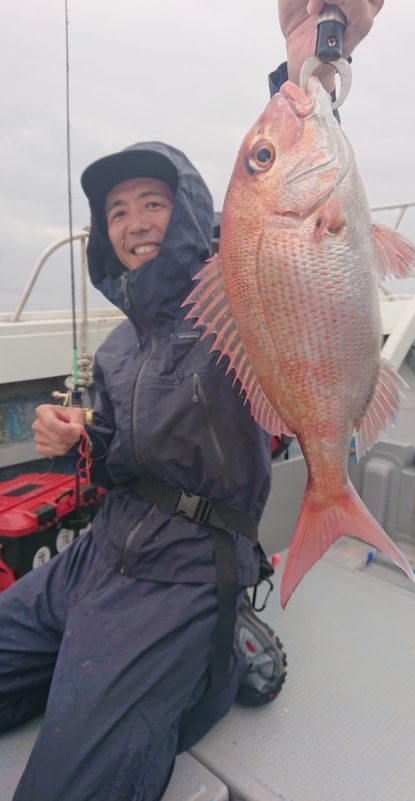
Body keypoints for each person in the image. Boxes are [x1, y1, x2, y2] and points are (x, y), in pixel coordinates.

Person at [0, 3, 383, 800]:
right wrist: (78, 435)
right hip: (97, 556)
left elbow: (293, 231)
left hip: (182, 574)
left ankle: (211, 654)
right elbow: (117, 457)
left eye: (153, 201)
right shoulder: (115, 346)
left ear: (192, 212)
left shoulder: (236, 302)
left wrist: (305, 68)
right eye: (116, 211)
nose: (134, 223)